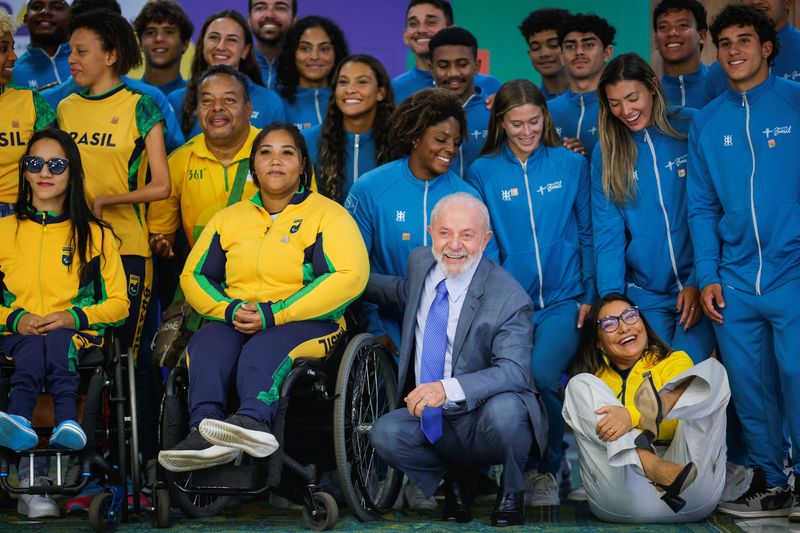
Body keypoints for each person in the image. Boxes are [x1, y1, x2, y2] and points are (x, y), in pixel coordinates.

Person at [158, 123, 369, 472]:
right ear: (253, 166)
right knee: (207, 343)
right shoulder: (229, 219)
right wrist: (229, 310)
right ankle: (205, 432)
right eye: (265, 152)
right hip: (237, 316)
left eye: (287, 153)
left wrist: (277, 313)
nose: (275, 161)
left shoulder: (328, 215)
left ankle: (251, 422)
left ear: (302, 164)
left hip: (309, 322)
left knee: (264, 348)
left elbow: (350, 277)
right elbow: (193, 276)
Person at [368, 193, 547, 527]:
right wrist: (344, 279)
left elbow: (515, 371)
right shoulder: (421, 262)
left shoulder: (509, 297)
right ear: (430, 232)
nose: (455, 245)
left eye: (467, 234)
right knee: (385, 433)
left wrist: (445, 388)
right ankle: (454, 481)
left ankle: (511, 491)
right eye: (445, 233)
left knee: (509, 410)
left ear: (486, 239)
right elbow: (399, 292)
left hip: (483, 414)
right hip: (434, 418)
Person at [687, 4, 800, 520]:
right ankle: (773, 482)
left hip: (792, 271)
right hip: (734, 279)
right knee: (750, 388)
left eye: (744, 41)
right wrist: (708, 274)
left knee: (797, 375)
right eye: (725, 43)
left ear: (766, 47)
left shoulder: (795, 103)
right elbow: (702, 205)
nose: (733, 51)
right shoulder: (707, 121)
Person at [466, 78, 595, 507]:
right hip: (510, 307)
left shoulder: (570, 164)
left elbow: (589, 233)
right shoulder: (481, 172)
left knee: (541, 377)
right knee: (511, 385)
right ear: (500, 123)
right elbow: (486, 245)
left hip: (564, 301)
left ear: (546, 117)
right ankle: (519, 470)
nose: (526, 131)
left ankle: (548, 468)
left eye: (534, 121)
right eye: (516, 123)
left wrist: (590, 295)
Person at [0, 128, 128, 517]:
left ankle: (59, 441)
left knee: (54, 343)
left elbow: (120, 303)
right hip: (13, 335)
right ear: (24, 172)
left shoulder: (97, 236)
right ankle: (28, 465)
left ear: (72, 172)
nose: (45, 172)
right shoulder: (3, 231)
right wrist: (15, 319)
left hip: (74, 337)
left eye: (56, 164)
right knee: (34, 345)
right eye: (34, 163)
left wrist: (74, 316)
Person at [345, 88, 497, 355]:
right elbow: (352, 267)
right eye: (441, 139)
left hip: (449, 321)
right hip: (387, 320)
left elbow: (485, 269)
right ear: (415, 136)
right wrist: (376, 329)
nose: (450, 149)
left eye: (456, 142)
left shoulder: (467, 196)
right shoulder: (370, 187)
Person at [57, 8, 170, 362]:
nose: (71, 60)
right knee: (79, 350)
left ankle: (133, 420)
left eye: (81, 51)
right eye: (70, 52)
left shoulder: (142, 106)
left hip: (128, 247)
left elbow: (162, 186)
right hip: (74, 245)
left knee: (127, 358)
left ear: (110, 56)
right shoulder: (65, 108)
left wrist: (107, 200)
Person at [563, 294, 729, 522]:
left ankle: (664, 403)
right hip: (625, 497)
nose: (623, 327)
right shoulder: (595, 383)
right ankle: (649, 462)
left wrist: (631, 416)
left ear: (642, 322)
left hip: (689, 485)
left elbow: (675, 426)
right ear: (598, 342)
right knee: (578, 383)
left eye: (630, 316)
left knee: (713, 371)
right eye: (610, 323)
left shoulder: (673, 361)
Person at [593, 53, 715, 362]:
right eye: (615, 103)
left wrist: (699, 279)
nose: (626, 110)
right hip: (645, 293)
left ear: (653, 86)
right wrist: (614, 302)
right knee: (649, 376)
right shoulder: (606, 152)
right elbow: (609, 236)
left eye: (633, 97)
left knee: (682, 372)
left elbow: (714, 209)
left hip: (700, 282)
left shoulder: (693, 124)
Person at [40, 0, 185, 153]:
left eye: (82, 50)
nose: (72, 58)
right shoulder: (48, 102)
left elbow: (176, 157)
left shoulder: (147, 100)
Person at [148, 66, 260, 260]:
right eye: (207, 101)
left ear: (248, 109)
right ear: (197, 111)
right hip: (206, 282)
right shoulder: (179, 161)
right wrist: (162, 245)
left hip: (271, 280)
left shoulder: (277, 152)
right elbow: (162, 234)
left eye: (229, 100)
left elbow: (305, 219)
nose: (217, 107)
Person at [168, 10, 285, 139]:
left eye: (232, 40)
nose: (221, 46)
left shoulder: (270, 102)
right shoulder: (175, 100)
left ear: (245, 50)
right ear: (202, 45)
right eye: (214, 37)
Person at [302, 54, 395, 203]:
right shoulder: (306, 140)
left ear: (380, 93)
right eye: (343, 82)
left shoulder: (398, 142)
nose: (350, 90)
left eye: (362, 82)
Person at [0, 9, 56, 217]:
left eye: (13, 48)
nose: (14, 57)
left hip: (24, 214)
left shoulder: (31, 102)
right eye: (3, 49)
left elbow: (51, 167)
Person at [392, 0, 500, 104]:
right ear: (405, 36)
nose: (421, 30)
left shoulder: (490, 85)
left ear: (451, 29)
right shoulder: (393, 89)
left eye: (431, 22)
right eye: (413, 24)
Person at [548, 13, 616, 158]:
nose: (579, 52)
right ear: (561, 55)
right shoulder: (545, 111)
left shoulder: (620, 107)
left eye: (589, 45)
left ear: (607, 52)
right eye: (570, 46)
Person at [704, 0, 800, 101]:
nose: (755, 1)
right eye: (726, 44)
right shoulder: (717, 73)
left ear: (787, 2)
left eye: (744, 40)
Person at [428, 26, 489, 177]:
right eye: (443, 65)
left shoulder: (497, 111)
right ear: (431, 69)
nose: (453, 73)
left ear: (477, 66)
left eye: (462, 64)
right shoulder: (421, 115)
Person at [276, 16, 349, 130]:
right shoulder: (275, 100)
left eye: (324, 49)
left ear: (336, 55)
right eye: (305, 48)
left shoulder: (348, 98)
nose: (314, 56)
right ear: (292, 54)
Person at [653, 0, 709, 108]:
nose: (672, 33)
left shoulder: (722, 85)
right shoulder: (649, 93)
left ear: (702, 36)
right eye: (663, 27)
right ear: (656, 40)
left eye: (682, 25)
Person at [133, 0, 194, 96]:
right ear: (140, 43)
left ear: (185, 44)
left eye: (168, 32)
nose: (159, 38)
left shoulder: (197, 96)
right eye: (150, 32)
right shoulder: (124, 95)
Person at [10, 0, 71, 90]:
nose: (45, 12)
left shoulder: (90, 62)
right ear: (25, 19)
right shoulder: (13, 74)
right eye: (36, 7)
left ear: (71, 17)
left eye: (57, 6)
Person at [518, 8, 570, 101]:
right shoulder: (528, 103)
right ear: (529, 54)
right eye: (535, 47)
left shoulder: (599, 97)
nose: (544, 54)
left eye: (554, 44)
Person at [248, 0, 297, 90]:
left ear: (294, 21)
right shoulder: (236, 68)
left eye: (280, 8)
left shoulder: (307, 69)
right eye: (260, 8)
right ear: (249, 20)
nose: (269, 15)